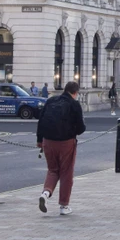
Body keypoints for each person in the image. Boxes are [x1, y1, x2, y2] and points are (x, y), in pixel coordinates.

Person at [36, 81, 86, 216]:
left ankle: (45, 194)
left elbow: (40, 121)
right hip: (66, 142)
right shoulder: (74, 104)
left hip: (48, 141)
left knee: (52, 170)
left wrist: (39, 140)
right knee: (66, 172)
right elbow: (81, 128)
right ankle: (64, 205)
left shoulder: (51, 101)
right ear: (75, 93)